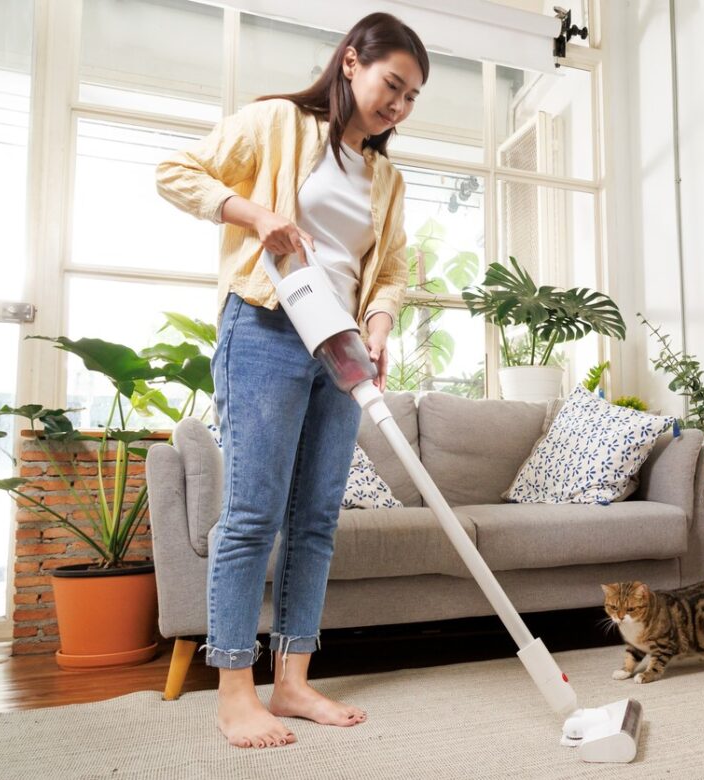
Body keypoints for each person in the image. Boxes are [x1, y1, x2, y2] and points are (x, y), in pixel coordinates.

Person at [156, 12, 428, 749]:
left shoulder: (386, 176)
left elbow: (393, 266)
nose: (396, 107)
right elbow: (176, 171)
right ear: (350, 64)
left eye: (409, 99)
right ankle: (235, 692)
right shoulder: (278, 122)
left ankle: (294, 681)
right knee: (252, 516)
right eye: (390, 85)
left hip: (338, 349)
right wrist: (255, 214)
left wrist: (377, 324)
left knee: (315, 522)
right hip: (267, 328)